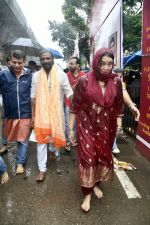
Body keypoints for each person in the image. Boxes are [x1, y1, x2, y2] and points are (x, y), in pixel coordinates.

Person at [69, 48, 139, 212]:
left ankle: (94, 184)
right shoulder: (84, 81)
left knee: (101, 156)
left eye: (110, 64)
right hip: (86, 125)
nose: (107, 68)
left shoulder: (115, 81)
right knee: (88, 158)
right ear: (96, 63)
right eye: (103, 64)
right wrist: (70, 129)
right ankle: (86, 193)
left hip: (105, 127)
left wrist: (132, 107)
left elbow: (119, 103)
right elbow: (75, 106)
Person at [31, 50, 73, 182]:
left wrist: (79, 100)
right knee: (41, 141)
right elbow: (33, 97)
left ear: (52, 59)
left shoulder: (61, 75)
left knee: (54, 139)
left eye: (48, 58)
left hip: (56, 115)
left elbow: (69, 93)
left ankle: (53, 150)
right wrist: (33, 115)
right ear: (40, 60)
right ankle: (42, 169)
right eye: (43, 59)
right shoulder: (36, 76)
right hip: (41, 115)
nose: (45, 61)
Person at [0, 50, 32, 174]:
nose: (17, 65)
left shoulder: (30, 76)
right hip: (10, 114)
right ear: (10, 61)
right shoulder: (3, 75)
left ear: (24, 62)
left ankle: (20, 163)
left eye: (20, 62)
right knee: (12, 137)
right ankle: (5, 145)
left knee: (23, 140)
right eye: (14, 62)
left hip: (25, 113)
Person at [64, 57, 85, 152]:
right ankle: (67, 142)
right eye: (70, 63)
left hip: (81, 104)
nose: (70, 65)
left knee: (78, 124)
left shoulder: (84, 75)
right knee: (68, 123)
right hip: (69, 103)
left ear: (77, 65)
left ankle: (74, 140)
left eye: (72, 64)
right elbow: (65, 90)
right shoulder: (66, 75)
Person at [0, 56, 11, 154]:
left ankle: (21, 146)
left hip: (20, 106)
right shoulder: (2, 74)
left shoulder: (24, 73)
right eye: (12, 62)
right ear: (8, 62)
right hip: (6, 104)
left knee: (20, 125)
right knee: (5, 125)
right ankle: (5, 145)